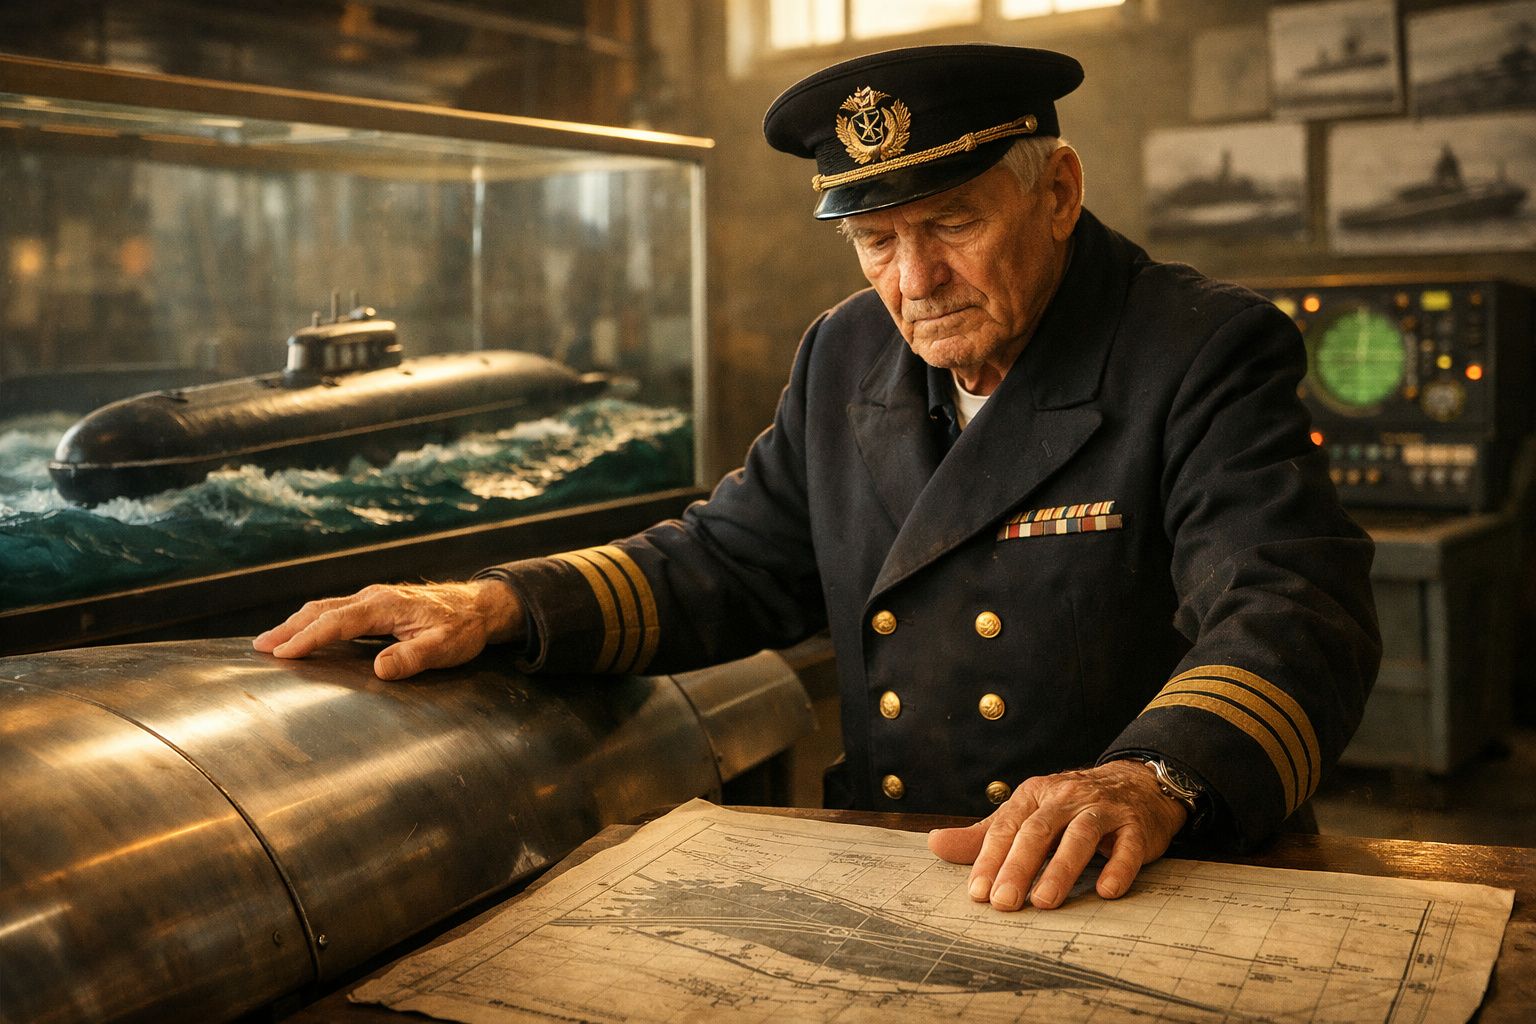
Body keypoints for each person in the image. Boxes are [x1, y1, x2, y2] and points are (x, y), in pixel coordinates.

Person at [256, 44, 1379, 914]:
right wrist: (499, 601)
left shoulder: (1200, 349)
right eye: (875, 241)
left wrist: (1153, 776)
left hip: (1142, 873)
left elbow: (1289, 606)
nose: (915, 280)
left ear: (1058, 192)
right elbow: (729, 558)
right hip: (906, 868)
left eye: (951, 222)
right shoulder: (846, 351)